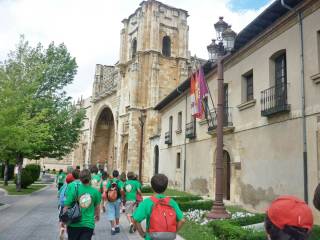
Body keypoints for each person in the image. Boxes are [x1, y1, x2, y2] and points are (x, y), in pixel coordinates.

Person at [132, 174, 185, 240]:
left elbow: (136, 220)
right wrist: (172, 232)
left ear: (152, 187)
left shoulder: (147, 202)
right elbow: (182, 220)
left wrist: (142, 233)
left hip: (151, 237)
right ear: (166, 187)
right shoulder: (172, 202)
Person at [64, 169, 101, 240]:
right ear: (90, 178)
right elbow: (97, 207)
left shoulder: (74, 190)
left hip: (73, 223)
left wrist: (64, 219)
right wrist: (97, 216)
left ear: (80, 179)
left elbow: (66, 205)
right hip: (88, 224)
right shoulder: (95, 192)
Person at [58, 173, 75, 240]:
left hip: (62, 206)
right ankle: (68, 234)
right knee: (69, 222)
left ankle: (62, 228)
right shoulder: (72, 187)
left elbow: (58, 195)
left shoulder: (63, 186)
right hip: (69, 207)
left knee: (62, 220)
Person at [106, 170, 124, 235]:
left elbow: (105, 190)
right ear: (118, 175)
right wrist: (122, 197)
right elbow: (122, 190)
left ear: (112, 175)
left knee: (111, 213)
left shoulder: (110, 181)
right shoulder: (120, 182)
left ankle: (112, 228)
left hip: (110, 200)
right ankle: (117, 226)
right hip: (117, 200)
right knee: (117, 213)